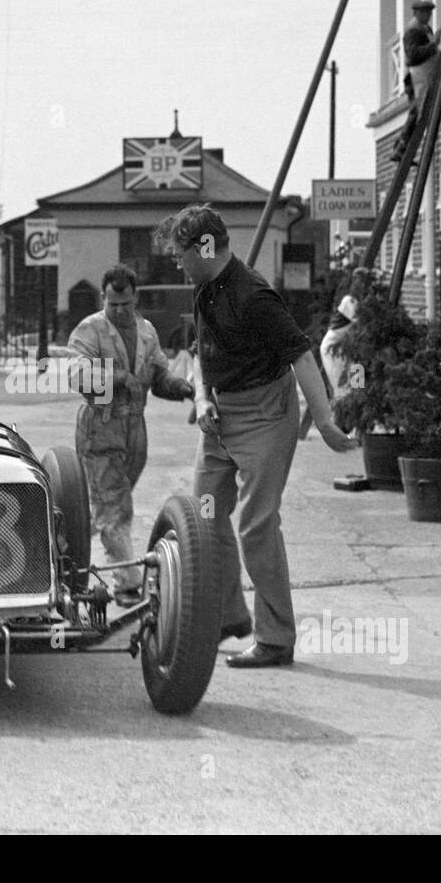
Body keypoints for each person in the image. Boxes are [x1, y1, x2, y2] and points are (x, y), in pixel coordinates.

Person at [155, 204, 357, 668]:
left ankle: (275, 638)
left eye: (180, 253)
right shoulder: (203, 290)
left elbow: (302, 356)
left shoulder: (254, 296)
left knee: (257, 525)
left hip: (266, 415)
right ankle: (229, 617)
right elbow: (200, 352)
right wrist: (203, 399)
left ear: (205, 246)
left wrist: (324, 422)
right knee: (204, 518)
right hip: (219, 417)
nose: (177, 262)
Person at [67, 265, 194, 604]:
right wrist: (117, 377)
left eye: (125, 304)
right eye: (113, 305)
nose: (120, 310)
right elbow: (76, 375)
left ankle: (63, 544)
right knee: (115, 508)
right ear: (104, 300)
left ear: (135, 297)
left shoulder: (148, 332)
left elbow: (158, 378)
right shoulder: (90, 329)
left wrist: (182, 387)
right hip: (101, 427)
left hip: (136, 432)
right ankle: (126, 584)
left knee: (108, 508)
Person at [389, 0, 441, 163]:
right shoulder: (413, 31)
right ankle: (401, 147)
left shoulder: (424, 30)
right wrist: (433, 45)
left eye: (429, 13)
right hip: (415, 77)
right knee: (416, 112)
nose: (428, 16)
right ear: (417, 14)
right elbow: (413, 55)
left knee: (417, 112)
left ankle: (401, 147)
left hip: (423, 76)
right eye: (425, 12)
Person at [319, 267, 372, 401]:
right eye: (359, 282)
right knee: (342, 386)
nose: (362, 286)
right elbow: (363, 323)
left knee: (357, 383)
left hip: (349, 347)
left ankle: (355, 411)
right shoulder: (349, 301)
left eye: (365, 282)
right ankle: (342, 415)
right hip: (334, 348)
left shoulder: (359, 302)